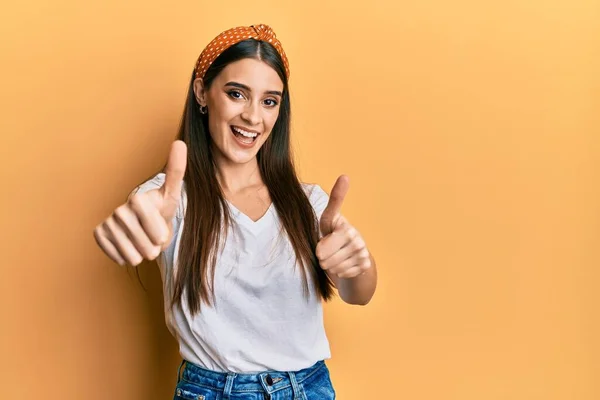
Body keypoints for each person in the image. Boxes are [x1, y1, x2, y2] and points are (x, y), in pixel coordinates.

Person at [93, 23, 377, 400]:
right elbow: (144, 216)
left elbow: (360, 294)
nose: (253, 117)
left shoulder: (308, 203)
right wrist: (137, 222)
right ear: (202, 92)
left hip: (308, 389)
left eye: (269, 101)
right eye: (237, 94)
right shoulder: (170, 198)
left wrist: (359, 265)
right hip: (212, 391)